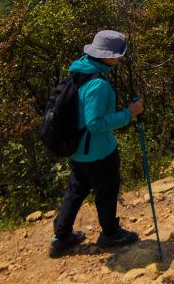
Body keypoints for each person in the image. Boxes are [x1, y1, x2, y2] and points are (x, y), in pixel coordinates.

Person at [50, 30, 144, 257]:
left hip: (78, 150)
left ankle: (60, 238)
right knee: (107, 190)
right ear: (108, 56)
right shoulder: (98, 84)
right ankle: (110, 234)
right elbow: (94, 123)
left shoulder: (80, 69)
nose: (119, 59)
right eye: (118, 55)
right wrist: (129, 114)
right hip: (98, 152)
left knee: (75, 190)